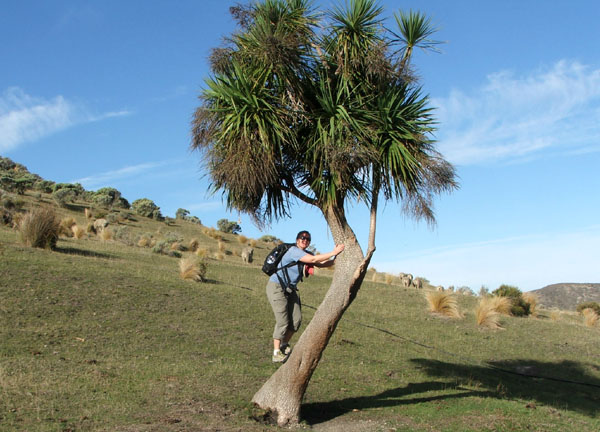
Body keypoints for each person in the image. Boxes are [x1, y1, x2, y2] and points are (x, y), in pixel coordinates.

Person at [266, 230, 345, 362]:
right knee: (283, 321)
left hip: (290, 290)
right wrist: (333, 252)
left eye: (307, 239)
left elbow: (321, 263)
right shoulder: (293, 251)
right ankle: (276, 352)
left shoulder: (307, 254)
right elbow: (313, 259)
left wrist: (335, 259)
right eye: (302, 238)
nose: (305, 240)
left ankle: (284, 345)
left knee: (296, 321)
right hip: (276, 287)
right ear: (297, 240)